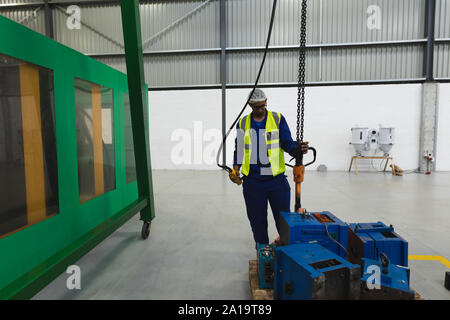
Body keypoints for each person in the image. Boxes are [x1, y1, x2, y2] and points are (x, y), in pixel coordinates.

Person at [229, 88, 309, 246]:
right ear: (250, 106)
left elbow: (287, 143)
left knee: (284, 221)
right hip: (253, 182)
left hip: (276, 181)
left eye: (263, 106)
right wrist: (236, 168)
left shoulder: (277, 118)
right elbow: (239, 148)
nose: (260, 110)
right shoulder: (243, 122)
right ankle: (263, 252)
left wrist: (298, 149)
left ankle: (286, 252)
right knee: (257, 221)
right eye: (256, 107)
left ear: (266, 103)